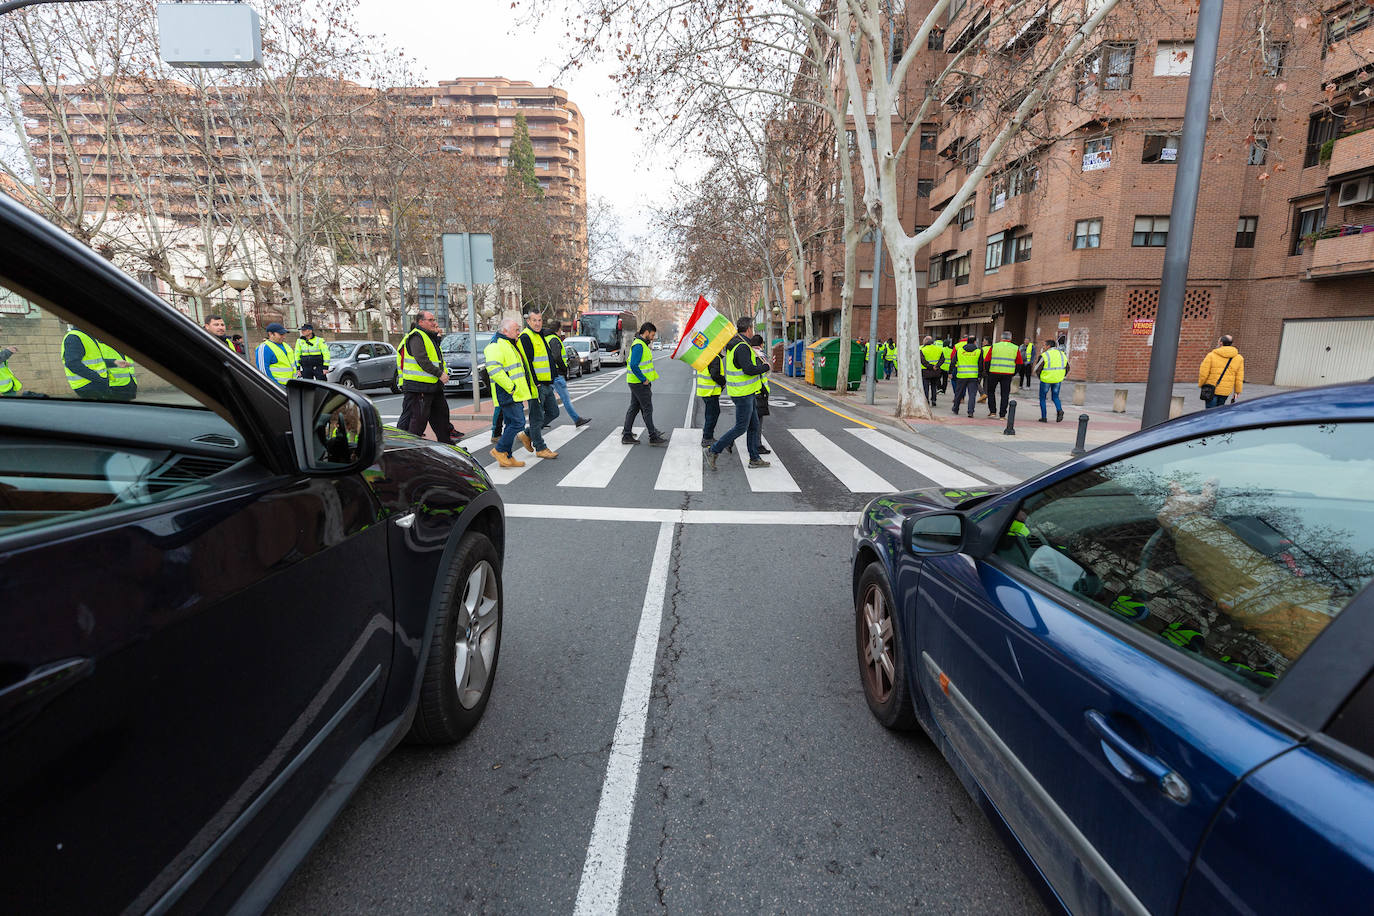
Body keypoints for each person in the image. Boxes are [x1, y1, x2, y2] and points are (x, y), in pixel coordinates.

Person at [706, 316, 770, 469]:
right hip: (743, 394)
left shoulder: (736, 344)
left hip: (746, 392)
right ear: (748, 329)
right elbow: (748, 370)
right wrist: (765, 367)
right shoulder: (742, 346)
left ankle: (754, 458)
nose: (752, 330)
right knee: (741, 427)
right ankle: (713, 450)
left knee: (753, 426)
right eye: (752, 328)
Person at [397, 311, 458, 444]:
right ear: (421, 322)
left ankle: (448, 447)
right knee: (417, 422)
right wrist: (440, 374)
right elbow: (422, 360)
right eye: (430, 320)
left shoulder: (429, 336)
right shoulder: (416, 337)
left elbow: (436, 359)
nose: (434, 323)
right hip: (419, 387)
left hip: (433, 386)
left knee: (442, 419)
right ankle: (410, 451)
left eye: (434, 320)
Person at [484, 315, 536, 468]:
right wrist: (511, 387)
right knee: (518, 423)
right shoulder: (496, 345)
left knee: (511, 423)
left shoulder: (508, 343)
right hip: (507, 392)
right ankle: (499, 450)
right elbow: (494, 369)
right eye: (516, 329)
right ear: (505, 331)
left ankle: (507, 455)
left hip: (513, 392)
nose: (518, 332)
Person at [514, 308, 561, 458]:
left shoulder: (539, 335)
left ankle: (527, 434)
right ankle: (540, 448)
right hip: (537, 385)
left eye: (540, 320)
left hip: (546, 383)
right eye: (534, 320)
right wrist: (535, 382)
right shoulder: (526, 337)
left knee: (554, 412)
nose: (538, 323)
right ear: (528, 321)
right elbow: (527, 363)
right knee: (536, 417)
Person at [623, 321, 667, 446]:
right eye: (652, 335)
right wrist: (644, 379)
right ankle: (653, 436)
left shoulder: (641, 344)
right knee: (647, 409)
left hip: (635, 382)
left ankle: (627, 434)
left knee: (634, 408)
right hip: (639, 383)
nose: (653, 338)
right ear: (646, 332)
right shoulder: (639, 345)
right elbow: (633, 365)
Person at [549, 320, 591, 428]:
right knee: (566, 399)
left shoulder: (546, 339)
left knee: (544, 400)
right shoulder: (554, 339)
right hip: (557, 374)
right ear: (558, 329)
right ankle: (577, 419)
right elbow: (556, 356)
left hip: (548, 374)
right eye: (561, 329)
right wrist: (564, 368)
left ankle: (538, 422)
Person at [62, 325, 120, 400]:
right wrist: (98, 379)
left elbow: (95, 361)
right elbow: (72, 364)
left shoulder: (88, 336)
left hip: (95, 384)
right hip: (89, 385)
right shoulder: (74, 337)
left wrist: (114, 362)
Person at [1198, 335, 1244, 409]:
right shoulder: (1239, 358)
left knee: (1210, 412)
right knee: (1219, 411)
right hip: (1226, 391)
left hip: (1211, 388)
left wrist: (1201, 384)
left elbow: (1203, 372)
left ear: (1221, 343)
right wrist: (1237, 391)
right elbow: (1239, 377)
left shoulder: (1211, 355)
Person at [986, 331, 1020, 419]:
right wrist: (1014, 372)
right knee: (1005, 394)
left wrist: (988, 371)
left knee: (990, 392)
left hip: (993, 372)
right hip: (1007, 374)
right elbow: (1019, 363)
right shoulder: (1015, 348)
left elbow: (987, 360)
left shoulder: (994, 346)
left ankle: (992, 411)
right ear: (1010, 338)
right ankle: (1002, 415)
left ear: (1001, 338)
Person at [697, 350, 727, 448]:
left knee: (711, 414)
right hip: (710, 391)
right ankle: (707, 438)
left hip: (705, 391)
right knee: (712, 414)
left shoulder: (705, 355)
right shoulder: (714, 357)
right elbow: (715, 374)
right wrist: (723, 382)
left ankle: (708, 436)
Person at [1033, 338, 1068, 422]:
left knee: (1042, 398)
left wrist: (1040, 376)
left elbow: (1037, 368)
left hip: (1046, 379)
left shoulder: (1045, 355)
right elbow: (1067, 367)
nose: (1043, 347)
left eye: (1044, 345)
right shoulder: (1062, 354)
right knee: (1055, 397)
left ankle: (1044, 417)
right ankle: (1059, 410)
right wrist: (1061, 375)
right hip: (1057, 379)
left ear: (1048, 346)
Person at [254, 322, 297, 388]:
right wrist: (276, 387)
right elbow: (263, 371)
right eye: (281, 334)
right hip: (278, 388)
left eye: (284, 334)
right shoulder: (264, 348)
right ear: (270, 334)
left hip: (292, 385)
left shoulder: (286, 346)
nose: (284, 337)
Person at [750, 333, 772, 454]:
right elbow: (763, 371)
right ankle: (757, 445)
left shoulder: (749, 353)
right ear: (761, 344)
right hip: (759, 392)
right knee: (757, 421)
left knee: (748, 421)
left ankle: (729, 441)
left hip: (752, 390)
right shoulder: (760, 355)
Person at [950, 336, 982, 417]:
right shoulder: (978, 351)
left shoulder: (960, 350)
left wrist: (950, 372)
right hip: (973, 376)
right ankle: (970, 411)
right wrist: (980, 375)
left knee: (958, 393)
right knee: (972, 395)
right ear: (975, 342)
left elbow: (953, 362)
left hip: (961, 375)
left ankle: (955, 409)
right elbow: (981, 365)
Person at [919, 335, 943, 408]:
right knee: (934, 386)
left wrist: (930, 367)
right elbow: (942, 359)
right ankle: (934, 400)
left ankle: (926, 401)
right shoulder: (939, 349)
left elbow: (922, 361)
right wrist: (936, 366)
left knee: (925, 386)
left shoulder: (922, 349)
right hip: (936, 371)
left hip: (926, 371)